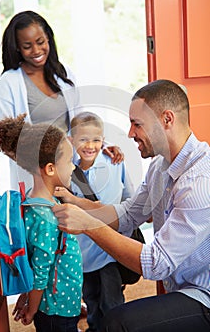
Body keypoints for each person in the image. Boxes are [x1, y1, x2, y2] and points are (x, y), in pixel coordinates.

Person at [53, 79, 210, 332]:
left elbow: (156, 263)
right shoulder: (160, 166)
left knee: (117, 322)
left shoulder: (200, 183)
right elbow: (128, 215)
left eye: (137, 124)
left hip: (204, 295)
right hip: (180, 287)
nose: (129, 133)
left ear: (167, 120)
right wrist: (79, 204)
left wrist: (88, 226)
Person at [0, 10, 123, 191]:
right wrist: (39, 165)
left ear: (49, 40)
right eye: (27, 46)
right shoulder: (10, 81)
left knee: (84, 212)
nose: (36, 51)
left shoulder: (64, 73)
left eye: (40, 42)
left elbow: (81, 121)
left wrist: (100, 145)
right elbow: (1, 135)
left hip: (69, 169)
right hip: (37, 177)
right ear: (17, 48)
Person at [0, 113, 83, 332]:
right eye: (69, 162)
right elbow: (40, 273)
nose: (72, 168)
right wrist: (32, 309)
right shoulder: (46, 218)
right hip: (56, 310)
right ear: (50, 169)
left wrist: (25, 297)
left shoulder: (40, 203)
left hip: (62, 302)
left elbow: (36, 263)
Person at [69, 111, 134, 331]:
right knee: (91, 298)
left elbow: (129, 197)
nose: (90, 145)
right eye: (83, 140)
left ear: (103, 140)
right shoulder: (66, 169)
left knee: (112, 301)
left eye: (96, 140)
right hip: (83, 251)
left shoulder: (114, 162)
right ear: (71, 140)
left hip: (109, 249)